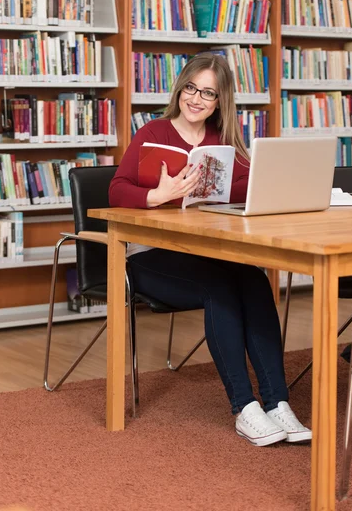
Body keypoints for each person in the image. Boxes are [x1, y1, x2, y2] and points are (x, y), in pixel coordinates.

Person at [109, 52, 312, 447]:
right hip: (149, 258)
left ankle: (277, 402)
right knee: (218, 289)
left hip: (202, 253)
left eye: (208, 93)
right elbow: (116, 189)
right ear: (179, 88)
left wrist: (223, 189)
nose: (196, 99)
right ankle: (244, 408)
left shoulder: (223, 141)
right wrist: (156, 194)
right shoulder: (153, 132)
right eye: (190, 88)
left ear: (221, 102)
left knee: (253, 279)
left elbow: (248, 186)